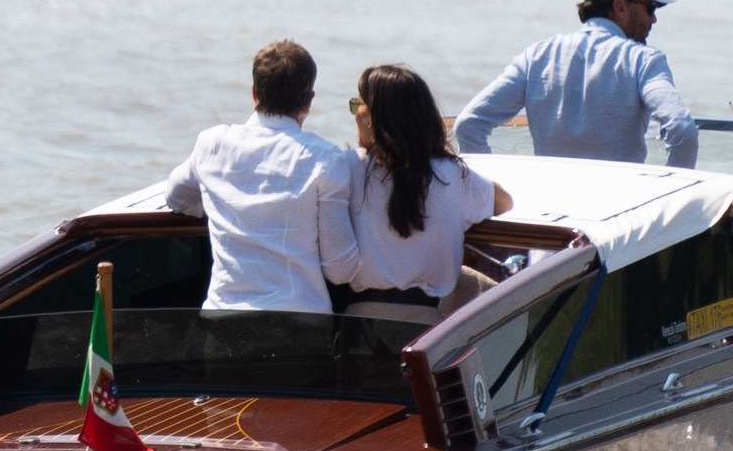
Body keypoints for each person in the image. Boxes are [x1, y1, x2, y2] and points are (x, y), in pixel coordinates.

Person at [454, 0, 698, 169]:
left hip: (547, 213)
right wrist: (670, 200)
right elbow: (682, 131)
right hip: (620, 213)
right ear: (621, 6)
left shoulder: (536, 56)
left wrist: (492, 193)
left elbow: (469, 124)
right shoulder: (643, 61)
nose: (653, 19)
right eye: (651, 7)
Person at [166, 40, 358, 314]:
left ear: (254, 93)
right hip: (299, 323)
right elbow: (340, 270)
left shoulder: (212, 144)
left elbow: (175, 196)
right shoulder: (326, 159)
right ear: (309, 99)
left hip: (224, 319)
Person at [345, 64, 513, 324]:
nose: (355, 115)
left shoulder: (349, 169)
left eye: (358, 105)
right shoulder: (451, 174)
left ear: (376, 117)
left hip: (357, 327)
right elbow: (504, 202)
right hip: (426, 329)